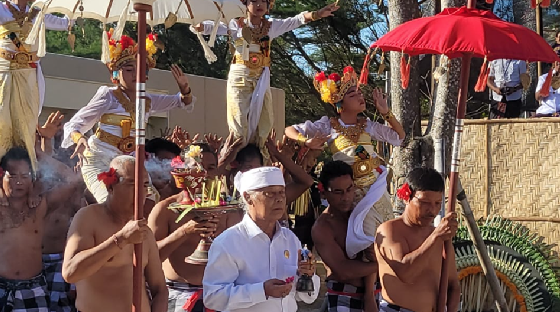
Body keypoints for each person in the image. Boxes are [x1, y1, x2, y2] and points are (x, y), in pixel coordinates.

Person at [193, 0, 338, 163]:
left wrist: (318, 13)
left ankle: (260, 161)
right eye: (254, 1)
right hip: (240, 77)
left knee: (264, 124)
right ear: (245, 4)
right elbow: (210, 26)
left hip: (261, 79)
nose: (259, 4)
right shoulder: (235, 24)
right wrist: (199, 25)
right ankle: (230, 163)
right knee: (239, 126)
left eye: (264, 1)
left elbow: (296, 20)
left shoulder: (271, 26)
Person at [202, 166, 320, 312]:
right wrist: (261, 291)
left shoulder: (290, 239)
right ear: (248, 198)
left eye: (281, 193)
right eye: (270, 194)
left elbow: (306, 296)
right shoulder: (229, 242)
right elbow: (213, 297)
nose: (279, 199)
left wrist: (308, 276)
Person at [285, 66, 404, 260]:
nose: (360, 96)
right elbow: (289, 129)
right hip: (352, 192)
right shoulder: (328, 126)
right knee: (369, 244)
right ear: (339, 103)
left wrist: (386, 112)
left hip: (377, 188)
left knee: (388, 236)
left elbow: (399, 138)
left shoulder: (368, 125)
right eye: (352, 94)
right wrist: (305, 141)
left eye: (359, 92)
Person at [62, 30, 194, 204]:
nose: (135, 74)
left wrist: (185, 88)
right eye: (129, 69)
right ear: (116, 73)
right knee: (110, 202)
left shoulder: (148, 100)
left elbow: (182, 102)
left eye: (140, 70)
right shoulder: (107, 95)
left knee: (148, 203)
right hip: (100, 160)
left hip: (129, 164)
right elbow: (74, 124)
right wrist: (79, 139)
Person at [62, 156, 168, 312]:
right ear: (110, 186)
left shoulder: (144, 231)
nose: (141, 193)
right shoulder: (88, 217)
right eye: (132, 185)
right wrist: (120, 240)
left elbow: (160, 290)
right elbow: (70, 272)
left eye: (145, 185)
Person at [0, 143, 83, 312]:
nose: (19, 181)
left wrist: (39, 155)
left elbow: (74, 179)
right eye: (12, 175)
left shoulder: (41, 205)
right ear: (0, 175)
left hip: (32, 289)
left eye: (25, 175)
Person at [148, 142, 227, 312]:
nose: (204, 174)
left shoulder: (228, 209)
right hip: (180, 299)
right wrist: (184, 231)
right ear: (184, 172)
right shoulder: (165, 209)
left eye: (211, 168)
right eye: (198, 167)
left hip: (222, 296)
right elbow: (149, 260)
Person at [374, 168, 463, 312]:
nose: (432, 210)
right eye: (424, 203)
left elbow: (453, 286)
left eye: (437, 204)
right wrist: (436, 237)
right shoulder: (389, 231)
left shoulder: (440, 237)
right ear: (407, 197)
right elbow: (405, 272)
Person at [0, 0, 71, 178]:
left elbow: (66, 23)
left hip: (28, 74)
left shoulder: (39, 12)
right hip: (4, 71)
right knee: (2, 119)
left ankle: (28, 174)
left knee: (27, 123)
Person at [312, 161, 379, 312]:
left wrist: (370, 293)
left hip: (376, 292)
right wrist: (382, 264)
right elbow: (342, 270)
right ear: (324, 194)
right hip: (344, 296)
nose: (346, 197)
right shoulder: (322, 227)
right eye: (338, 192)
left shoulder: (364, 212)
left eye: (350, 189)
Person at [36, 112, 87, 312]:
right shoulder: (35, 184)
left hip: (61, 257)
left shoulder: (75, 189)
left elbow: (75, 184)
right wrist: (41, 145)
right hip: (34, 260)